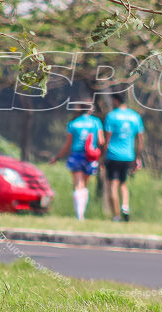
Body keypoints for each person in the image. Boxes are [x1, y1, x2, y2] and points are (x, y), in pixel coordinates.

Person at [49, 100, 104, 220]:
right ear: (90, 109)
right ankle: (81, 213)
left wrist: (57, 157)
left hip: (76, 156)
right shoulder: (96, 122)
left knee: (78, 184)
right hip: (90, 156)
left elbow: (67, 145)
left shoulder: (73, 123)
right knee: (84, 185)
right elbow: (101, 141)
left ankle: (79, 215)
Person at [103, 91, 145, 222]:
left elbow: (107, 139)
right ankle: (125, 207)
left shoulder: (111, 116)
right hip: (128, 155)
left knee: (112, 185)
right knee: (123, 184)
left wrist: (102, 157)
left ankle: (116, 215)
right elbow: (140, 140)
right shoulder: (135, 117)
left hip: (113, 155)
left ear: (115, 101)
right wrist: (137, 158)